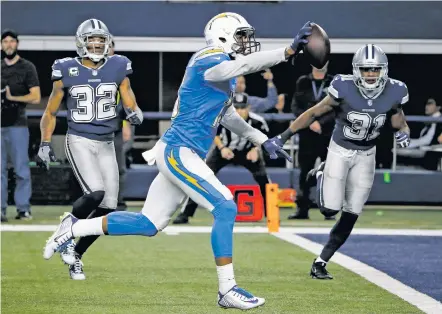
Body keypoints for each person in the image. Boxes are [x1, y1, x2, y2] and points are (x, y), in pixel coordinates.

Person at [42, 13, 311, 310]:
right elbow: (244, 64)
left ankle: (72, 229)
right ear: (223, 36)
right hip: (179, 151)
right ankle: (227, 289)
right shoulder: (209, 58)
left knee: (149, 224)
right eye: (241, 35)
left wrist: (263, 140)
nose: (246, 41)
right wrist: (285, 52)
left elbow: (228, 115)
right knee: (225, 206)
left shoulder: (225, 70)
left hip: (183, 151)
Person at [272, 44, 410, 279]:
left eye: (375, 69)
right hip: (340, 150)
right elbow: (314, 112)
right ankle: (321, 172)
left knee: (352, 213)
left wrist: (403, 132)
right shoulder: (343, 87)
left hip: (367, 155)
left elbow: (399, 120)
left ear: (383, 70)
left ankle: (321, 262)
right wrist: (284, 137)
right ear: (357, 70)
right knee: (328, 209)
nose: (370, 74)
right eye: (365, 69)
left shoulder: (395, 91)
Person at [37, 19, 143, 280]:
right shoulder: (66, 69)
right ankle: (66, 226)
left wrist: (134, 112)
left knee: (108, 207)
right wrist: (45, 142)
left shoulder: (118, 66)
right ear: (81, 42)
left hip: (107, 141)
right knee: (95, 193)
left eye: (100, 40)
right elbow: (50, 111)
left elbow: (129, 98)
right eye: (91, 40)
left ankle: (76, 255)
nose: (96, 44)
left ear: (107, 43)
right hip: (80, 139)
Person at [173, 92, 270, 225]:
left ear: (249, 108)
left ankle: (271, 213)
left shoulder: (258, 121)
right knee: (202, 177)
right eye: (237, 108)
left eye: (243, 108)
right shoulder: (223, 118)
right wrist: (222, 148)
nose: (240, 111)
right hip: (224, 149)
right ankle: (186, 214)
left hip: (248, 150)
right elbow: (214, 134)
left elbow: (264, 139)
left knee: (264, 179)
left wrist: (256, 149)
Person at [1, 29, 41, 222]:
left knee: (21, 169)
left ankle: (23, 208)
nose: (8, 45)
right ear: (1, 45)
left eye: (11, 41)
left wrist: (12, 97)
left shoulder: (27, 67)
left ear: (17, 44)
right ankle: (0, 210)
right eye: (5, 42)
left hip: (17, 125)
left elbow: (35, 96)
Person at [288, 63, 335, 220]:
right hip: (307, 135)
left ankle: (329, 210)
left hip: (327, 134)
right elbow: (295, 106)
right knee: (304, 172)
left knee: (330, 173)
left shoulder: (334, 82)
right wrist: (310, 122)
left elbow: (338, 108)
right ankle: (302, 210)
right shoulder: (303, 81)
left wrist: (321, 123)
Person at [396, 98, 441, 170]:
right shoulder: (430, 121)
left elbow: (428, 140)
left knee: (397, 151)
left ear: (438, 107)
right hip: (423, 150)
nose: (426, 106)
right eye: (426, 104)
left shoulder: (439, 121)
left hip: (430, 153)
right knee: (395, 150)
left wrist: (408, 143)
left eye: (430, 104)